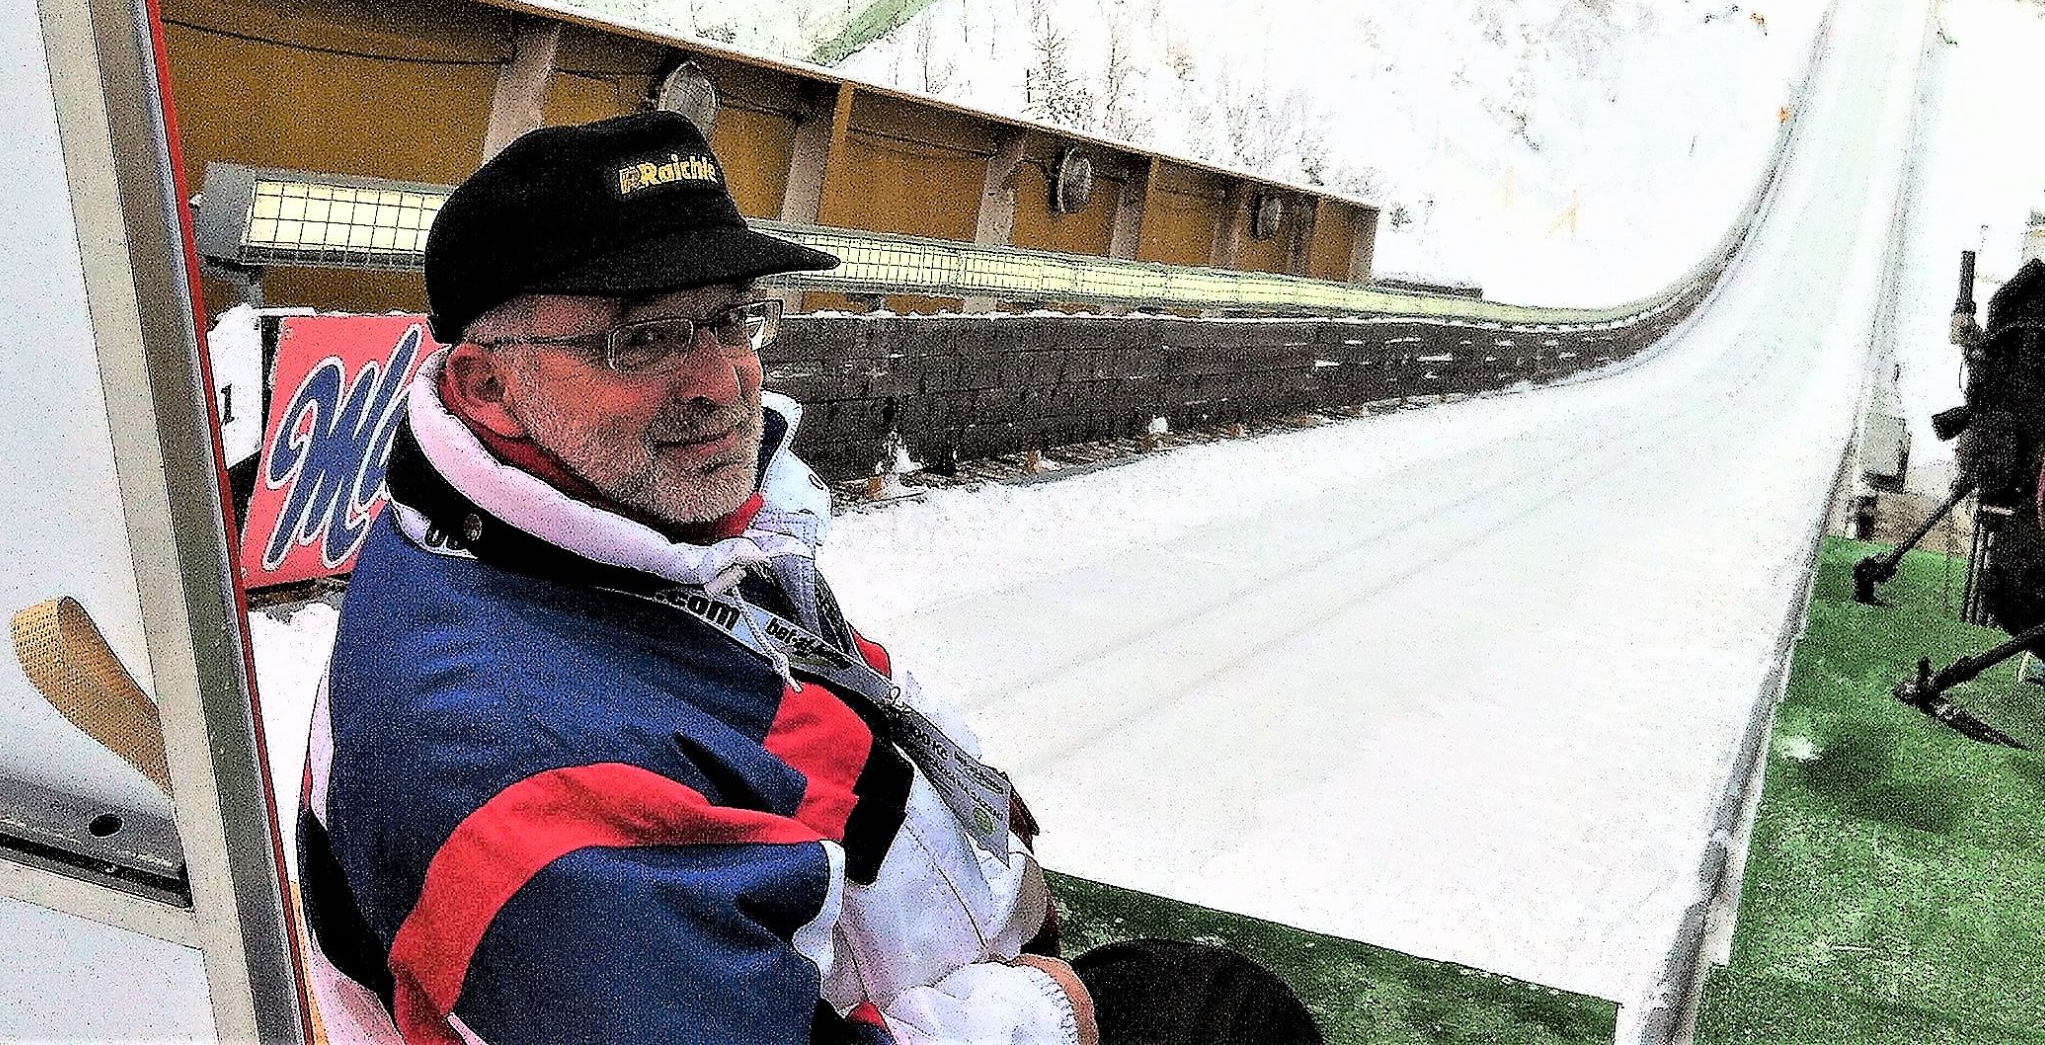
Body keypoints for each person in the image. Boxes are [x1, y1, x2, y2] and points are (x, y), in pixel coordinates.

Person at [296, 112, 1317, 1045]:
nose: (719, 381)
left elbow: (807, 698)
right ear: (487, 384)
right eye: (641, 339)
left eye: (730, 319)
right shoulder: (513, 755)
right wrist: (1055, 1016)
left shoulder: (615, 527)